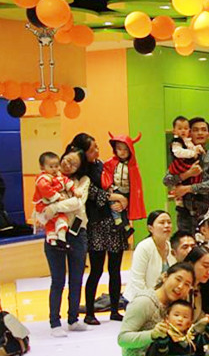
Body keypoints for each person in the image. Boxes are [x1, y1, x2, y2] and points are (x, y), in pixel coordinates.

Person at [66, 133, 130, 323]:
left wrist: (122, 201)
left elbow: (113, 187)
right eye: (92, 149)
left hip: (114, 222)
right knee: (96, 270)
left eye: (96, 146)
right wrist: (116, 198)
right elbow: (93, 194)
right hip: (96, 223)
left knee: (115, 269)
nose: (97, 150)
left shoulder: (101, 164)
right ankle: (90, 312)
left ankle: (114, 310)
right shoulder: (80, 173)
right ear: (83, 152)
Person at [118, 262, 208, 356]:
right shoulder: (144, 302)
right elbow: (123, 339)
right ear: (165, 276)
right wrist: (152, 335)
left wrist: (205, 325)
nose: (180, 286)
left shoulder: (174, 304)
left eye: (187, 284)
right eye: (178, 279)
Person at [36, 148, 90, 337]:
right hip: (54, 234)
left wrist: (53, 207)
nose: (67, 165)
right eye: (66, 160)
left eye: (74, 163)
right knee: (58, 280)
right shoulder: (46, 180)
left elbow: (77, 203)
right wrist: (48, 210)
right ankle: (54, 322)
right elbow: (40, 210)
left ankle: (73, 318)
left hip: (77, 233)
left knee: (76, 279)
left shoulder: (83, 181)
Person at [163, 118, 209, 234]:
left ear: (208, 135)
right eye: (195, 130)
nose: (200, 133)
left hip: (205, 209)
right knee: (185, 243)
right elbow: (167, 180)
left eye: (204, 130)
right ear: (189, 133)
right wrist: (188, 174)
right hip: (184, 211)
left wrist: (187, 188)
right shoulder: (181, 155)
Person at [122, 211, 174, 307]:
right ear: (150, 228)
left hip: (162, 300)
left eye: (169, 222)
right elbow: (137, 282)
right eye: (162, 222)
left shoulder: (171, 247)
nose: (167, 225)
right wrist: (151, 303)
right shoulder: (144, 247)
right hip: (139, 300)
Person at [101, 133, 146, 238]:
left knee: (123, 209)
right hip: (116, 189)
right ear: (115, 150)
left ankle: (123, 224)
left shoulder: (133, 166)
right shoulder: (111, 163)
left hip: (127, 191)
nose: (122, 152)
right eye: (119, 149)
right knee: (114, 204)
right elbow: (107, 174)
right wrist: (109, 186)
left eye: (126, 149)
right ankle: (122, 224)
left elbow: (135, 182)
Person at [33, 151, 79, 249]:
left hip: (56, 207)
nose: (54, 169)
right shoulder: (43, 178)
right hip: (43, 205)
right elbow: (45, 189)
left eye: (56, 166)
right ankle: (54, 240)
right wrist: (57, 196)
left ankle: (60, 240)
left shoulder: (59, 176)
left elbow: (67, 182)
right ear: (42, 167)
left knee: (60, 220)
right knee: (53, 221)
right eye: (51, 167)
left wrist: (75, 190)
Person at [168, 116, 204, 210]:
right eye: (180, 128)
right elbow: (178, 152)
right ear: (174, 131)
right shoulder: (176, 142)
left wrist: (197, 148)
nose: (183, 131)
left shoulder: (187, 141)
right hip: (179, 165)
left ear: (189, 130)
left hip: (187, 167)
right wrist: (193, 153)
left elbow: (192, 148)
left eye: (185, 128)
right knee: (178, 182)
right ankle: (179, 202)